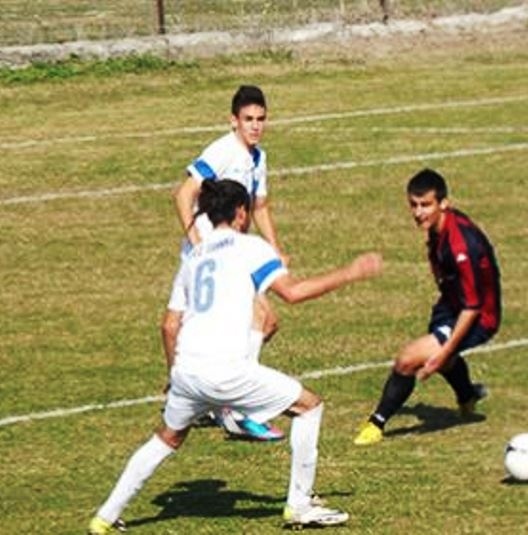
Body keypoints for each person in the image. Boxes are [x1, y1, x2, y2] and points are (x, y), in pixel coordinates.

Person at [88, 180, 383, 534]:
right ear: (241, 212)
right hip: (226, 372)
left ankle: (104, 517)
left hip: (187, 371)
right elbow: (293, 293)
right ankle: (300, 506)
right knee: (309, 407)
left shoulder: (194, 256)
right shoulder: (250, 248)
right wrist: (350, 272)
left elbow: (169, 326)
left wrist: (174, 376)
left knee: (166, 438)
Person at [161, 85, 286, 440]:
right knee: (173, 326)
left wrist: (275, 248)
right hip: (209, 252)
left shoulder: (258, 158)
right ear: (233, 121)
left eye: (261, 119)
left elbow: (260, 206)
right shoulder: (222, 151)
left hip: (232, 252)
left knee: (264, 321)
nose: (255, 126)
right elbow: (183, 193)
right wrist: (197, 242)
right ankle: (216, 400)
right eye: (248, 119)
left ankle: (209, 399)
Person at [353, 168, 501, 446]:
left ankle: (376, 423)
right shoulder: (440, 228)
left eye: (426, 205)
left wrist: (443, 353)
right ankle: (468, 395)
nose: (419, 212)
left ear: (444, 203)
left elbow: (473, 307)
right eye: (414, 205)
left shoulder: (461, 245)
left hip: (478, 316)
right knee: (441, 355)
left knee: (408, 359)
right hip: (451, 304)